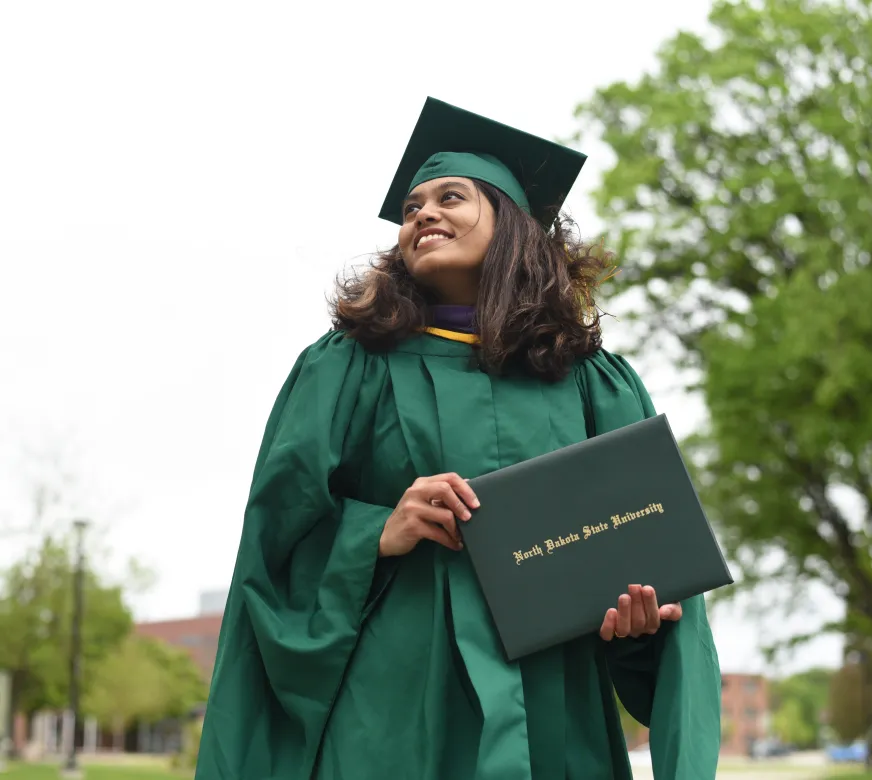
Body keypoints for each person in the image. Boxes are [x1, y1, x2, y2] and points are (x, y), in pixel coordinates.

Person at [196, 97, 722, 780]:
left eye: (451, 197)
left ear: (512, 226)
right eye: (411, 209)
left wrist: (638, 624)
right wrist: (379, 530)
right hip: (391, 709)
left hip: (553, 707)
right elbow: (274, 549)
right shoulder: (346, 368)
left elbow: (659, 560)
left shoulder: (594, 381)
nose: (423, 215)